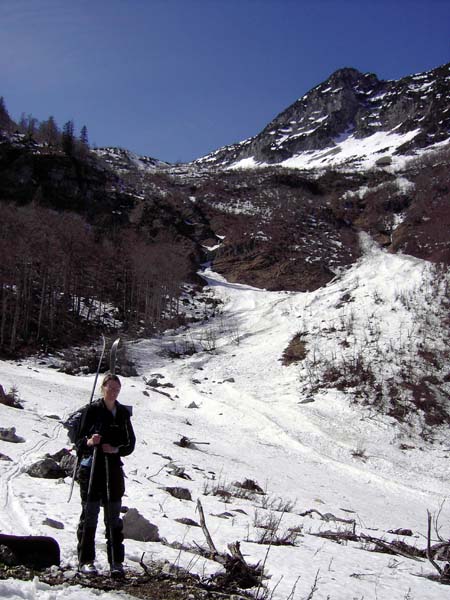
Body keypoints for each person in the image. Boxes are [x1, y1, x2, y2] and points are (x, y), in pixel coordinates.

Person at [75, 373, 135, 577]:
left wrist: (116, 449)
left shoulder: (123, 414)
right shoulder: (92, 410)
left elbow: (130, 443)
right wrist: (91, 442)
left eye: (117, 389)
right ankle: (86, 560)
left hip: (113, 470)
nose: (113, 392)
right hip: (92, 468)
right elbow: (78, 441)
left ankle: (116, 562)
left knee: (113, 518)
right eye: (110, 388)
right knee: (90, 515)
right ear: (103, 388)